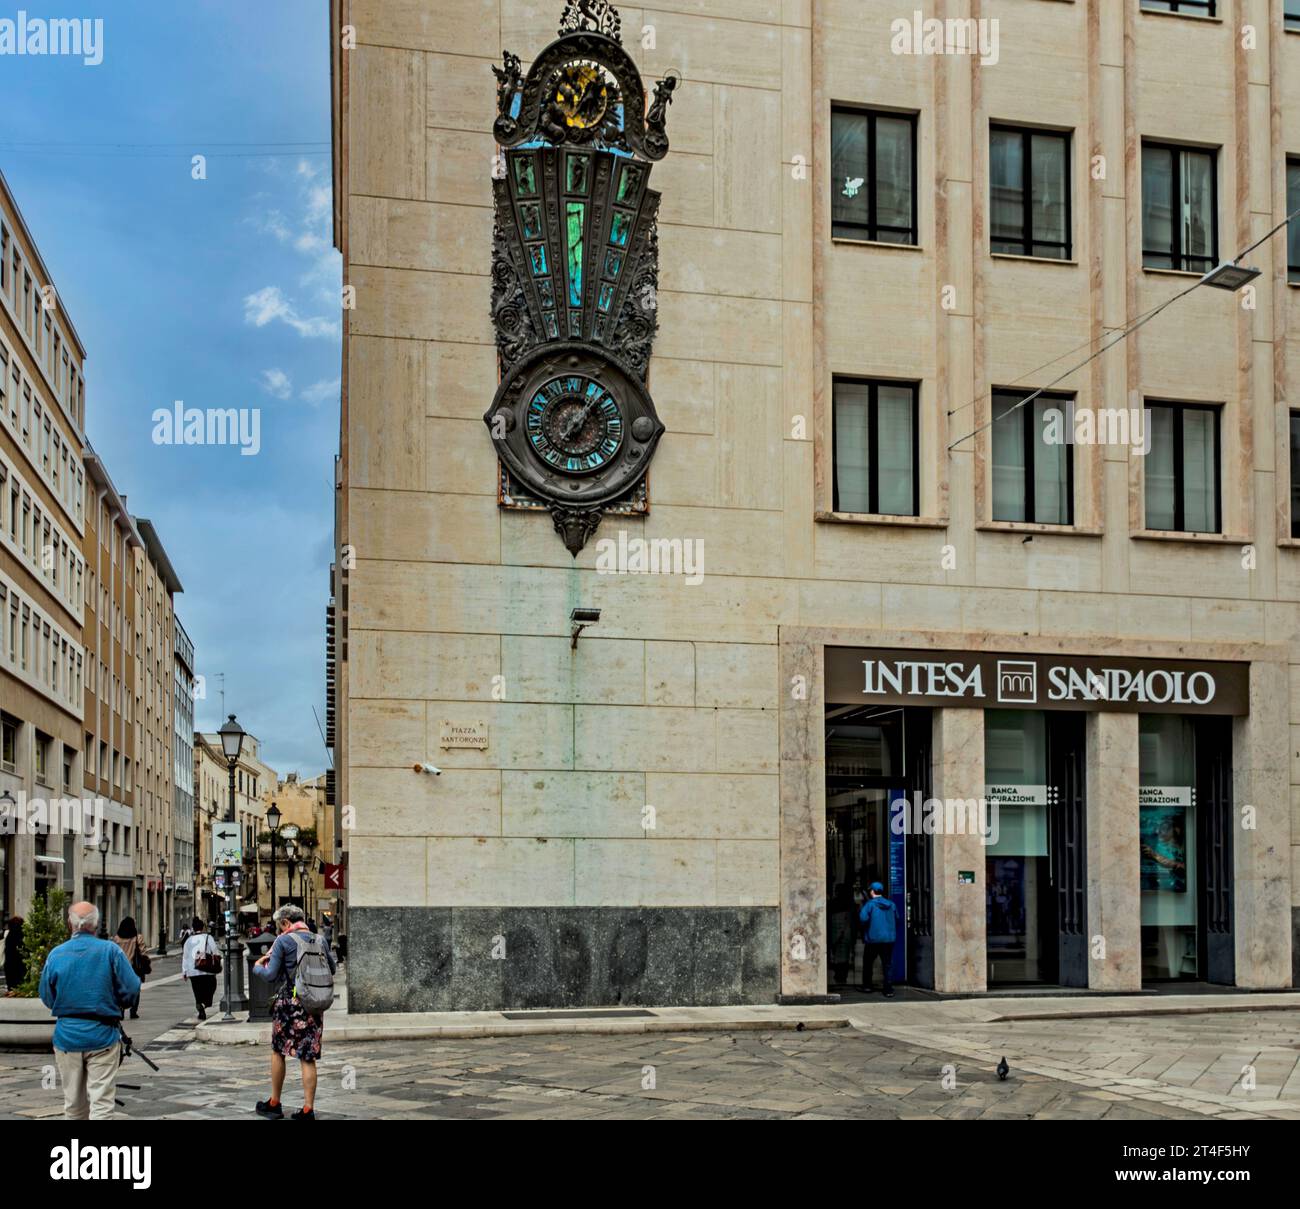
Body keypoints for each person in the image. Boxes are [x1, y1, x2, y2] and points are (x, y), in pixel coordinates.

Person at [38, 901, 141, 1120]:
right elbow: (132, 987)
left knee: (73, 1104)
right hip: (103, 1034)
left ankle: (78, 1152)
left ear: (70, 924)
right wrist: (119, 1003)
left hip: (67, 1036)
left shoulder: (56, 954)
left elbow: (47, 996)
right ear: (96, 925)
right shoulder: (110, 951)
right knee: (102, 1103)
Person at [251, 904, 337, 1120]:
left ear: (286, 922)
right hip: (313, 1005)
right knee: (308, 1057)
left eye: (281, 926)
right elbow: (333, 968)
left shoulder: (283, 941)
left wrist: (257, 967)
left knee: (278, 1051)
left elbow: (270, 975)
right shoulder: (320, 939)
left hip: (290, 1004)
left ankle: (274, 1103)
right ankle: (308, 1109)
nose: (280, 930)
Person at [858, 882, 898, 998]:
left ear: (871, 891)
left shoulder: (869, 905)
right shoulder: (891, 904)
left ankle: (867, 986)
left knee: (868, 962)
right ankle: (888, 989)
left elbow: (863, 918)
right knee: (887, 964)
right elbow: (897, 919)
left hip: (873, 939)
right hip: (889, 939)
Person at [111, 916, 150, 1019]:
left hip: (120, 968)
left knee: (120, 989)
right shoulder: (137, 937)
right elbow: (143, 952)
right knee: (136, 988)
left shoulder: (116, 938)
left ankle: (121, 1010)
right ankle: (133, 1011)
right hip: (134, 968)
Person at [182, 917, 220, 1019]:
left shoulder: (188, 940)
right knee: (211, 986)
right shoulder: (208, 937)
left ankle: (200, 1009)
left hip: (192, 970)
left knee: (197, 990)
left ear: (193, 928)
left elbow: (185, 956)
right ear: (203, 927)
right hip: (206, 969)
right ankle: (205, 1004)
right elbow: (215, 951)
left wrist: (184, 971)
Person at [3, 915, 25, 992]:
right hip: (21, 964)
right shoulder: (23, 935)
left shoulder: (9, 935)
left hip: (10, 964)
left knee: (11, 986)